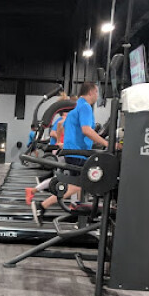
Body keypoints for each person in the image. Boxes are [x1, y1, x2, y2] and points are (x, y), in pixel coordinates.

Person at [31, 82, 110, 225]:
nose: (97, 96)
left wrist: (65, 144)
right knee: (80, 184)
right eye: (97, 92)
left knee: (79, 185)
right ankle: (43, 206)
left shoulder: (75, 108)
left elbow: (66, 128)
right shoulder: (85, 107)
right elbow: (86, 130)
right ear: (91, 92)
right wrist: (107, 144)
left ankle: (80, 214)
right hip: (78, 154)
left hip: (72, 153)